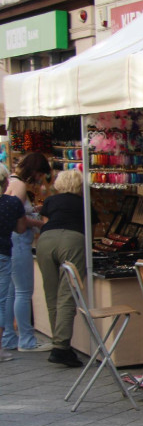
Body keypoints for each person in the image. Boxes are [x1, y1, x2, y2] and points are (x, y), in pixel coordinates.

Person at [36, 170, 89, 368]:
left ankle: (57, 342)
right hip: (72, 240)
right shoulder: (83, 202)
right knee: (68, 293)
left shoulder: (51, 201)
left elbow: (45, 222)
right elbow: (90, 227)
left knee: (51, 294)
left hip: (46, 239)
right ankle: (61, 347)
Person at [3, 153, 52, 353]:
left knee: (11, 293)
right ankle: (27, 339)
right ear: (34, 171)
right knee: (23, 291)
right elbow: (17, 219)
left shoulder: (11, 182)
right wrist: (40, 223)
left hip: (10, 241)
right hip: (19, 241)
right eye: (40, 174)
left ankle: (9, 338)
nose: (40, 180)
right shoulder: (21, 186)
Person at [0, 172, 28, 362]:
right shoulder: (12, 204)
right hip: (3, 253)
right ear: (5, 182)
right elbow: (20, 229)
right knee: (1, 300)